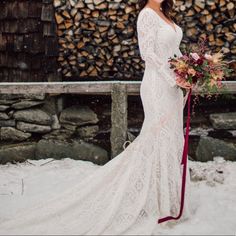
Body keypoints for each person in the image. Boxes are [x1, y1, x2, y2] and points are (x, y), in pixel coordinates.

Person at [0, 0, 196, 235]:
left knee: (171, 138)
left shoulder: (165, 13)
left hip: (173, 88)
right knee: (157, 138)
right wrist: (173, 78)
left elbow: (174, 51)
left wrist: (190, 69)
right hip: (157, 85)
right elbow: (149, 54)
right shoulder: (146, 15)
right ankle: (152, 200)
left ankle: (169, 197)